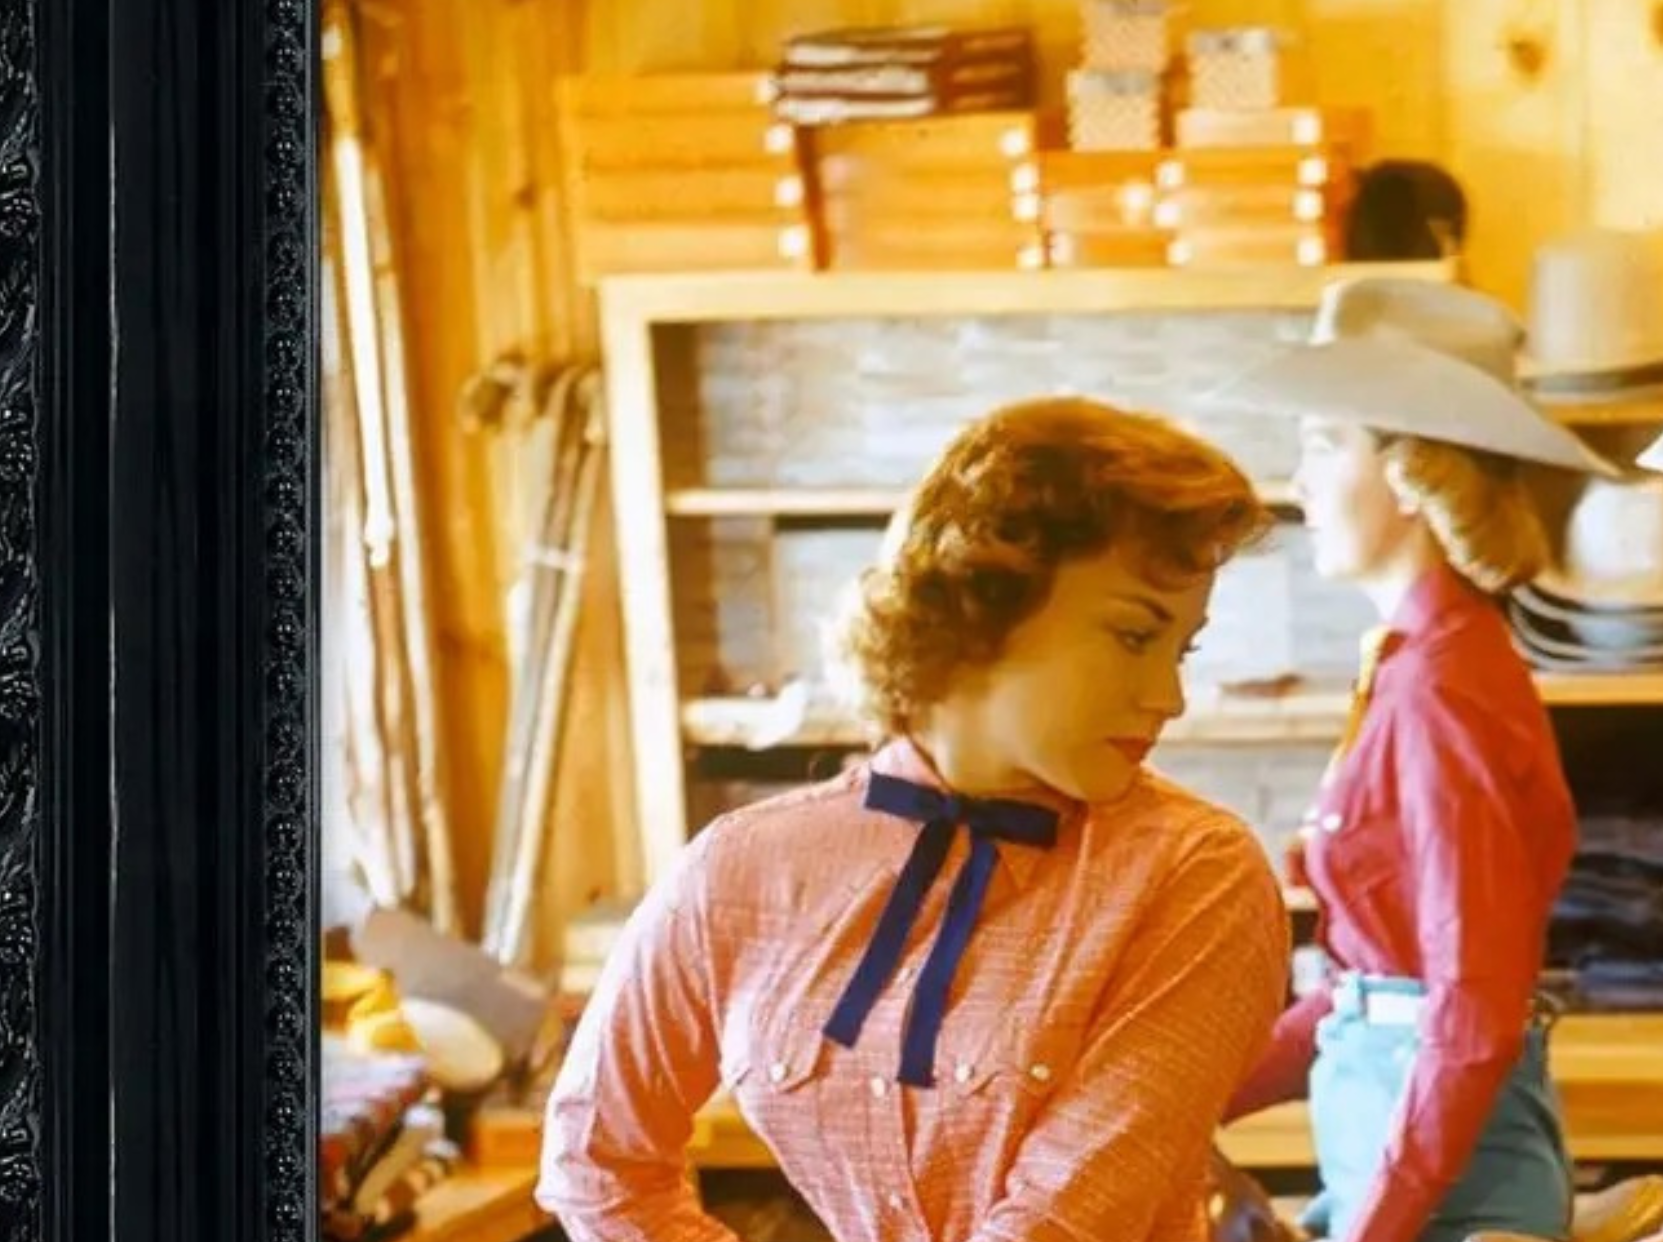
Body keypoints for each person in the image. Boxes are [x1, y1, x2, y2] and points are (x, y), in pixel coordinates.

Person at [537, 396, 1293, 1242]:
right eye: (1133, 636)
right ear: (984, 603)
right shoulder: (743, 867)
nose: (1169, 697)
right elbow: (596, 1165)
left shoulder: (1197, 875)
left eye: (1181, 648)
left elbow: (1061, 1223)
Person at [1207, 276, 1620, 1242]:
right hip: (1397, 1176)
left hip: (1449, 1202)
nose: (1298, 484)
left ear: (1409, 475)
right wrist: (1188, 1099)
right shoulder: (1412, 668)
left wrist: (1377, 1229)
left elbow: (1471, 1012)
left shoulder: (1444, 689)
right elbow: (1366, 990)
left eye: (1323, 445)